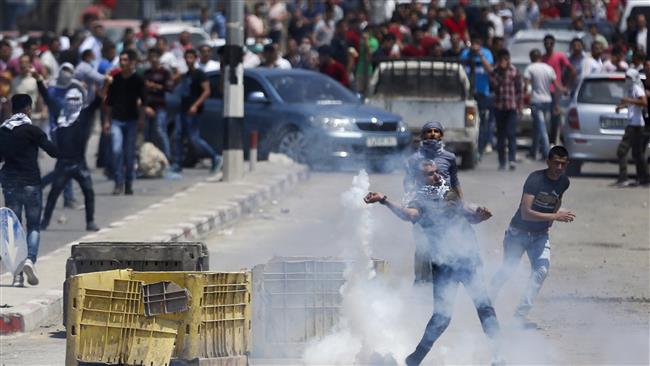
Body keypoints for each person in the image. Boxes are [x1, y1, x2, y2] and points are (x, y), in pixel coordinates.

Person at [364, 160, 501, 366]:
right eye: (430, 174)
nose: (437, 176)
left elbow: (466, 212)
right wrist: (384, 200)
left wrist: (479, 215)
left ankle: (500, 357)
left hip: (468, 260)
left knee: (484, 307)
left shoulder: (448, 193)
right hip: (443, 264)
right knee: (442, 317)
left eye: (437, 172)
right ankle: (414, 359)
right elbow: (408, 214)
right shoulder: (420, 200)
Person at [490, 146, 575, 326]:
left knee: (541, 271)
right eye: (556, 163)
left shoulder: (564, 182)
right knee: (508, 270)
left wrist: (553, 216)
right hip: (518, 233)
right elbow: (526, 212)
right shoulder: (535, 180)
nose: (559, 168)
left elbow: (557, 199)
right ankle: (486, 303)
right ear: (548, 162)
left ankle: (519, 317)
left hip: (540, 235)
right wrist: (555, 216)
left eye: (563, 164)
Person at [0, 94, 59, 287]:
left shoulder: (3, 131)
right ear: (28, 109)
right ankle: (29, 260)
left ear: (12, 109)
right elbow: (52, 150)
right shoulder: (33, 130)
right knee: (33, 225)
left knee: (13, 230)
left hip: (9, 183)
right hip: (31, 182)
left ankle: (17, 275)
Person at [33, 66, 99, 232]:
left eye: (76, 101)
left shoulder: (84, 115)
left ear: (80, 102)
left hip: (80, 163)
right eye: (70, 101)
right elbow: (47, 97)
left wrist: (105, 85)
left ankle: (90, 221)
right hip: (63, 163)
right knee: (54, 194)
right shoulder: (59, 113)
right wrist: (39, 80)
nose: (72, 104)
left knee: (89, 192)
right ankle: (45, 221)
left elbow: (98, 102)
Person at [404, 121, 462, 283]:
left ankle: (442, 282)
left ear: (441, 136)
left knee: (445, 244)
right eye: (429, 131)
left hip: (446, 208)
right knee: (423, 246)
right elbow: (408, 183)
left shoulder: (449, 157)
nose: (433, 134)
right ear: (422, 136)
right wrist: (411, 203)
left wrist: (460, 206)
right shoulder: (414, 159)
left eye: (437, 131)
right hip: (423, 208)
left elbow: (455, 183)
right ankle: (421, 282)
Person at [171, 48, 222, 173]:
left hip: (193, 111)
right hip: (183, 109)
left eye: (191, 58)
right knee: (177, 136)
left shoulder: (200, 74)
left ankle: (214, 156)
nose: (188, 60)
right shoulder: (186, 75)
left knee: (194, 138)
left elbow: (206, 91)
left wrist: (195, 105)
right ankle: (177, 163)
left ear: (195, 59)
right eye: (186, 58)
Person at [103, 49, 145, 195]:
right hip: (116, 120)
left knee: (129, 154)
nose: (122, 63)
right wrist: (107, 121)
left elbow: (143, 101)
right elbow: (108, 102)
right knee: (116, 150)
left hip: (131, 120)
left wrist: (141, 119)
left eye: (125, 60)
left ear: (132, 63)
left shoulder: (138, 80)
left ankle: (128, 183)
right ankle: (118, 182)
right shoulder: (115, 79)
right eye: (121, 60)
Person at [524, 49, 565, 160]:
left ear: (531, 57)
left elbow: (527, 87)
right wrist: (557, 102)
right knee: (539, 126)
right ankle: (534, 151)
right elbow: (557, 87)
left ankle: (547, 151)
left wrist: (525, 97)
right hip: (548, 99)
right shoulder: (549, 69)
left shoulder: (530, 68)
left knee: (541, 126)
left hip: (536, 100)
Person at [460, 35, 493, 158]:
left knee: (482, 121)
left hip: (482, 92)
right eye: (473, 43)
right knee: (469, 122)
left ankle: (481, 147)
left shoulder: (486, 53)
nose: (475, 46)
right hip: (468, 93)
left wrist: (480, 55)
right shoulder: (465, 54)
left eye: (477, 44)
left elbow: (490, 69)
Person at [614, 68, 649, 187]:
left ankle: (623, 178)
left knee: (621, 151)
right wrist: (622, 106)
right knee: (637, 154)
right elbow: (633, 105)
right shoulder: (631, 89)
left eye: (628, 77)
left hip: (635, 125)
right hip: (635, 124)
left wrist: (627, 100)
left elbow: (644, 102)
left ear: (633, 78)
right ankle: (643, 178)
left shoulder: (637, 88)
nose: (626, 79)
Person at [490, 49, 522, 171]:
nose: (504, 61)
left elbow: (519, 90)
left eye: (506, 59)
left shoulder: (515, 71)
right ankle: (502, 161)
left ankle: (512, 159)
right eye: (502, 59)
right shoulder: (495, 72)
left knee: (511, 134)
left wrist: (520, 106)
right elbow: (495, 86)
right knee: (501, 136)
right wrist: (502, 73)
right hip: (499, 107)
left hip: (511, 107)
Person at [542, 34, 575, 146]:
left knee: (555, 116)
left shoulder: (560, 56)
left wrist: (566, 86)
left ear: (554, 44)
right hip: (545, 90)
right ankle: (545, 141)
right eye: (546, 43)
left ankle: (552, 141)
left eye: (550, 43)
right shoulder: (542, 58)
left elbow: (572, 70)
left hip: (556, 90)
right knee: (545, 117)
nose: (548, 45)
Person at [143, 47, 173, 160]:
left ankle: (167, 157)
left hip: (160, 106)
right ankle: (147, 158)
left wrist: (155, 86)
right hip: (148, 107)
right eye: (151, 57)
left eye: (155, 57)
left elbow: (169, 88)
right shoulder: (146, 73)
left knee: (160, 131)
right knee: (147, 134)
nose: (153, 59)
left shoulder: (164, 73)